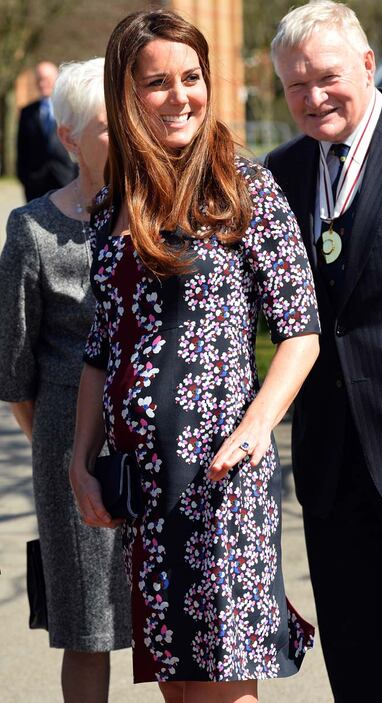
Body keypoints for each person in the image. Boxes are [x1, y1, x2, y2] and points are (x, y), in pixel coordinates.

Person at [69, 10, 320, 703]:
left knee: (219, 686)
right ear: (126, 94)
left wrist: (254, 428)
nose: (181, 95)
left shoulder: (242, 187)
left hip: (220, 482)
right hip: (143, 486)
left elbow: (300, 329)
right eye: (158, 82)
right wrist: (78, 460)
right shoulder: (111, 202)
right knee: (178, 689)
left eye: (192, 77)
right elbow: (101, 345)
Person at [265, 1, 382, 701]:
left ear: (364, 63)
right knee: (360, 663)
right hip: (330, 465)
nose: (313, 96)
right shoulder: (282, 171)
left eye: (326, 76)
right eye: (296, 85)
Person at [0, 59, 131, 703]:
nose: (130, 132)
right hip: (72, 456)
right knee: (87, 629)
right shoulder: (33, 231)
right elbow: (15, 372)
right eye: (110, 124)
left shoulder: (171, 216)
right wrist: (61, 449)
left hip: (166, 445)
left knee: (183, 627)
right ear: (69, 136)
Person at [17, 61, 76, 201]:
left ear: (57, 79)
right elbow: (21, 148)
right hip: (36, 185)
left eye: (46, 79)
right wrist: (25, 177)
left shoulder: (71, 108)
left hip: (66, 179)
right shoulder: (27, 112)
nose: (42, 84)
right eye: (39, 80)